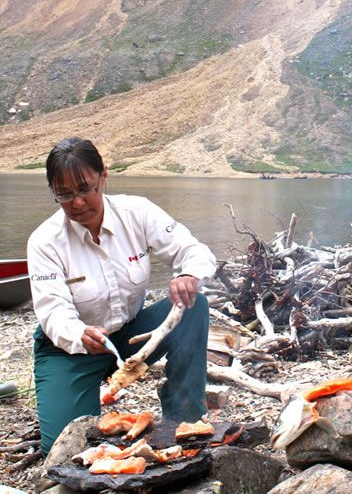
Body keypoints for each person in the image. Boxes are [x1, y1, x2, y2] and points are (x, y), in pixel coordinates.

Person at [27, 137, 216, 456]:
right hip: (70, 350)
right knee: (63, 450)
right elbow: (53, 311)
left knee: (192, 305)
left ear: (104, 177)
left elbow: (192, 250)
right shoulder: (45, 242)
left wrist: (187, 275)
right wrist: (78, 333)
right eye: (64, 194)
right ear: (53, 191)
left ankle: (184, 420)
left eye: (85, 188)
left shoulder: (137, 212)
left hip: (130, 334)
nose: (77, 203)